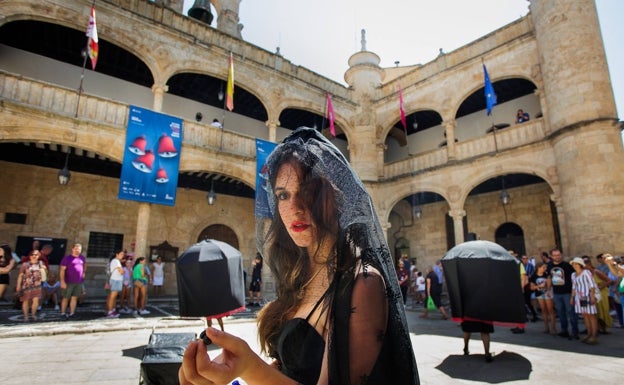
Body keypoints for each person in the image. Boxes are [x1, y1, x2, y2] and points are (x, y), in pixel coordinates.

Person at [179, 127, 419, 384]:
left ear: (335, 198)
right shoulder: (300, 275)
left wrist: (248, 367)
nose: (295, 208)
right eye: (283, 195)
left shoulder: (362, 284)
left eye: (308, 191)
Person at [547, 248, 579, 339]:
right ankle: (564, 330)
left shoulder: (567, 265)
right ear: (552, 256)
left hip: (567, 292)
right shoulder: (549, 266)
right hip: (557, 293)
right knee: (560, 313)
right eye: (555, 255)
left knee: (571, 312)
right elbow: (549, 277)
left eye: (559, 255)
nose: (557, 257)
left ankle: (574, 332)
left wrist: (574, 292)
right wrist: (549, 290)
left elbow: (574, 278)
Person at [569, 257, 599, 344]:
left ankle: (594, 335)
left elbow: (591, 284)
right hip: (579, 297)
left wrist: (592, 296)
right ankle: (589, 334)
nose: (574, 265)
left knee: (591, 316)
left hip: (588, 296)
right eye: (573, 264)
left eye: (576, 263)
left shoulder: (586, 272)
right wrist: (572, 297)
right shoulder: (573, 275)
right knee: (585, 316)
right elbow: (574, 287)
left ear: (580, 265)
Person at [582, 255, 612, 334]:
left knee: (602, 311)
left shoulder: (596, 271)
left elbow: (609, 281)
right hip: (590, 294)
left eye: (586, 263)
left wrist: (599, 287)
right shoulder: (584, 273)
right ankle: (594, 328)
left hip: (601, 293)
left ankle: (603, 328)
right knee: (593, 312)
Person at [16, 249, 46, 321]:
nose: (34, 256)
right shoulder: (25, 264)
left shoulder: (41, 264)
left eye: (36, 255)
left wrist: (44, 269)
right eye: (32, 254)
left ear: (39, 256)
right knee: (25, 300)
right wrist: (18, 285)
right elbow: (20, 275)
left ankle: (33, 315)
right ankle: (26, 316)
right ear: (29, 256)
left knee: (35, 301)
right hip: (26, 285)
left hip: (37, 285)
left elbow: (45, 274)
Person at [59, 243, 87, 319]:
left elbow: (84, 267)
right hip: (68, 281)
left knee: (74, 298)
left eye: (79, 249)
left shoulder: (82, 258)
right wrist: (62, 281)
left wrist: (83, 275)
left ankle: (72, 313)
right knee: (65, 298)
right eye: (76, 248)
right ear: (72, 249)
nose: (77, 250)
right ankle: (63, 313)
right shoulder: (67, 258)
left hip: (78, 282)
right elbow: (62, 270)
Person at [530, 262, 556, 334]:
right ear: (539, 267)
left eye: (545, 267)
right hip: (539, 294)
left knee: (550, 310)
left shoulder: (547, 274)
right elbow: (531, 287)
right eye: (543, 267)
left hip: (547, 293)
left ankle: (553, 328)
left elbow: (549, 284)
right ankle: (546, 328)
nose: (545, 269)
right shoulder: (534, 276)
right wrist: (538, 286)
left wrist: (547, 290)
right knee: (543, 310)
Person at [105, 249, 125, 318]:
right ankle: (110, 311)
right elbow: (121, 271)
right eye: (121, 254)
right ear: (117, 254)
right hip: (115, 280)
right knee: (112, 296)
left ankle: (112, 310)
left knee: (113, 296)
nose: (122, 256)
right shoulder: (116, 261)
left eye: (123, 254)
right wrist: (122, 271)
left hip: (116, 279)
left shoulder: (116, 261)